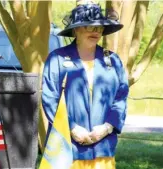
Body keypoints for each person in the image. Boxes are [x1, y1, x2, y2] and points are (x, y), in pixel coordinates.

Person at [41, 1, 129, 168]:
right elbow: (49, 98)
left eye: (99, 27)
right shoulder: (57, 59)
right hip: (66, 148)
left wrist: (108, 127)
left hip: (103, 148)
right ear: (76, 29)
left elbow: (121, 98)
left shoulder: (113, 61)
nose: (95, 31)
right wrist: (73, 128)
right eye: (89, 26)